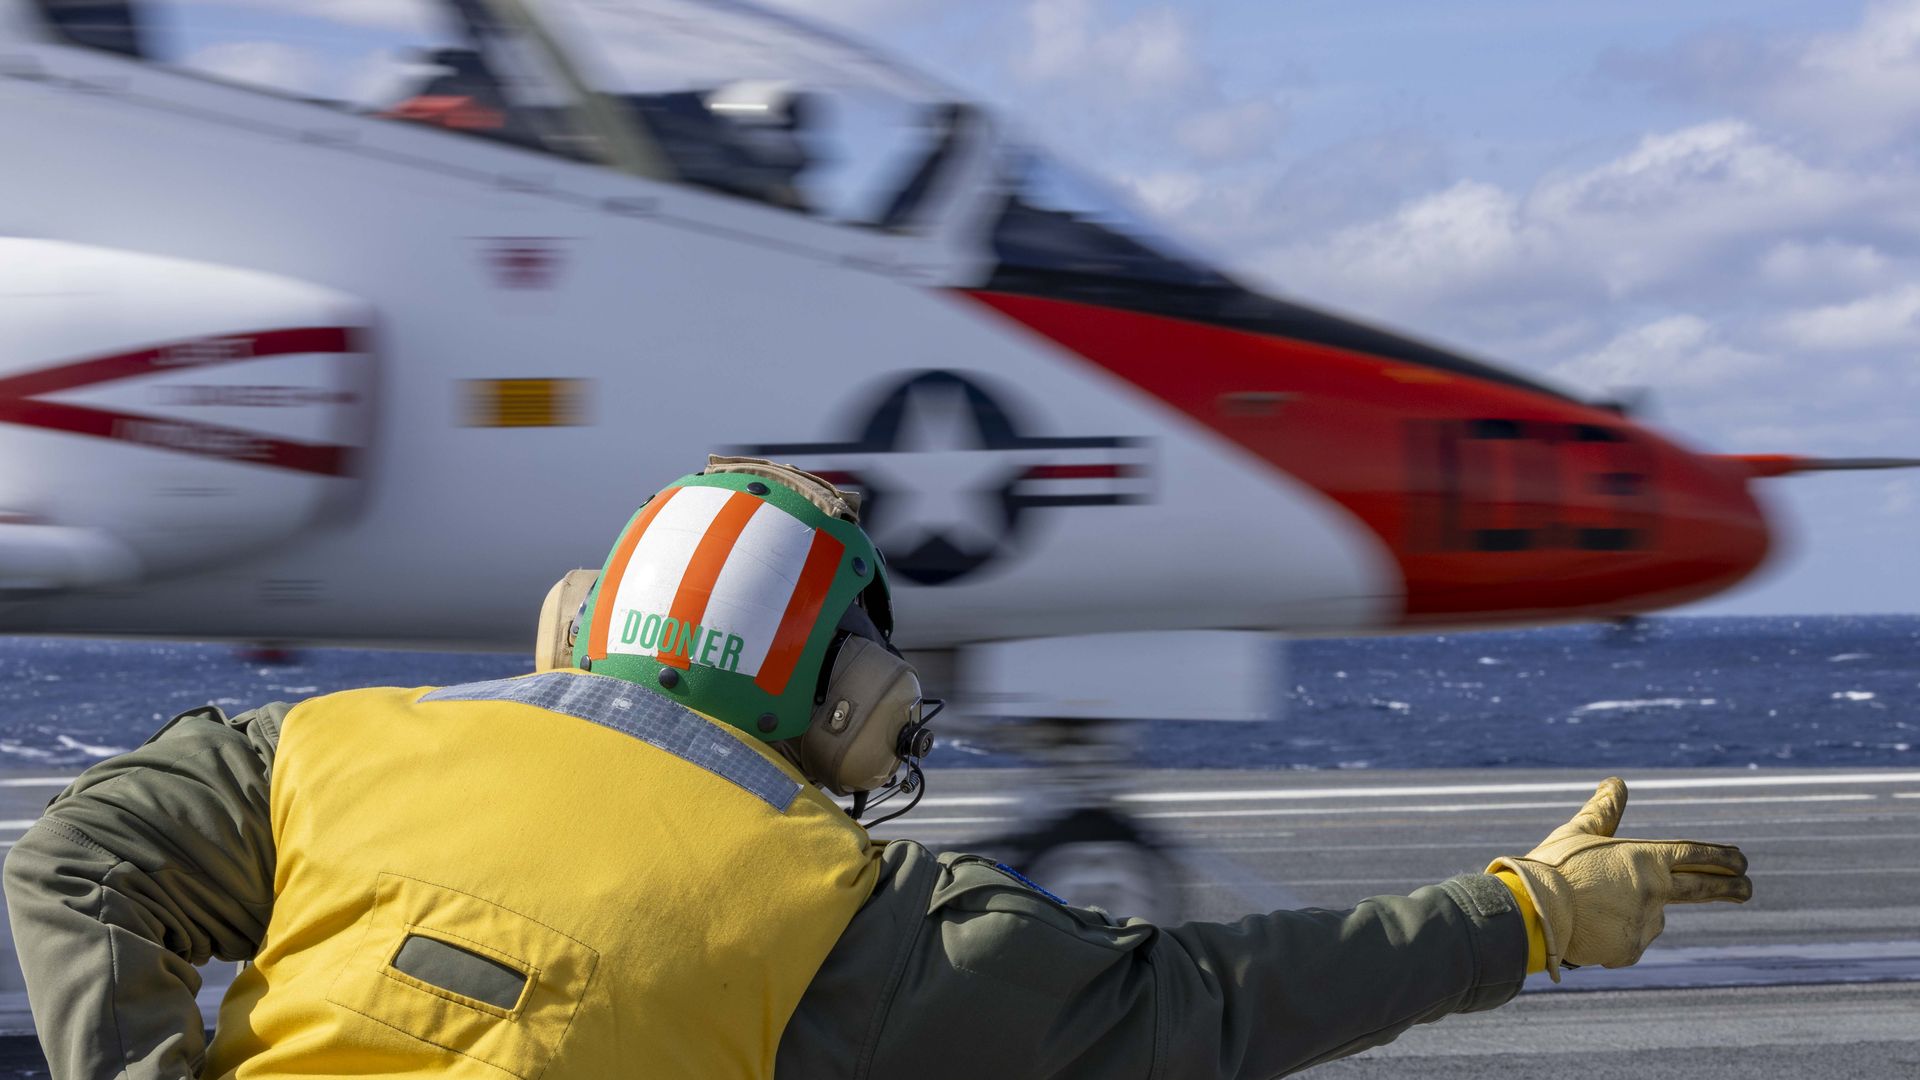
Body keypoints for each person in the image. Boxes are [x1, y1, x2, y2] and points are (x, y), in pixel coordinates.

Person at [3, 456, 1752, 1079]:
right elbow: (1201, 1012)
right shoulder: (841, 915)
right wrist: (1524, 912)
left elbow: (71, 861)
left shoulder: (330, 749)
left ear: (578, 628)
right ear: (843, 705)